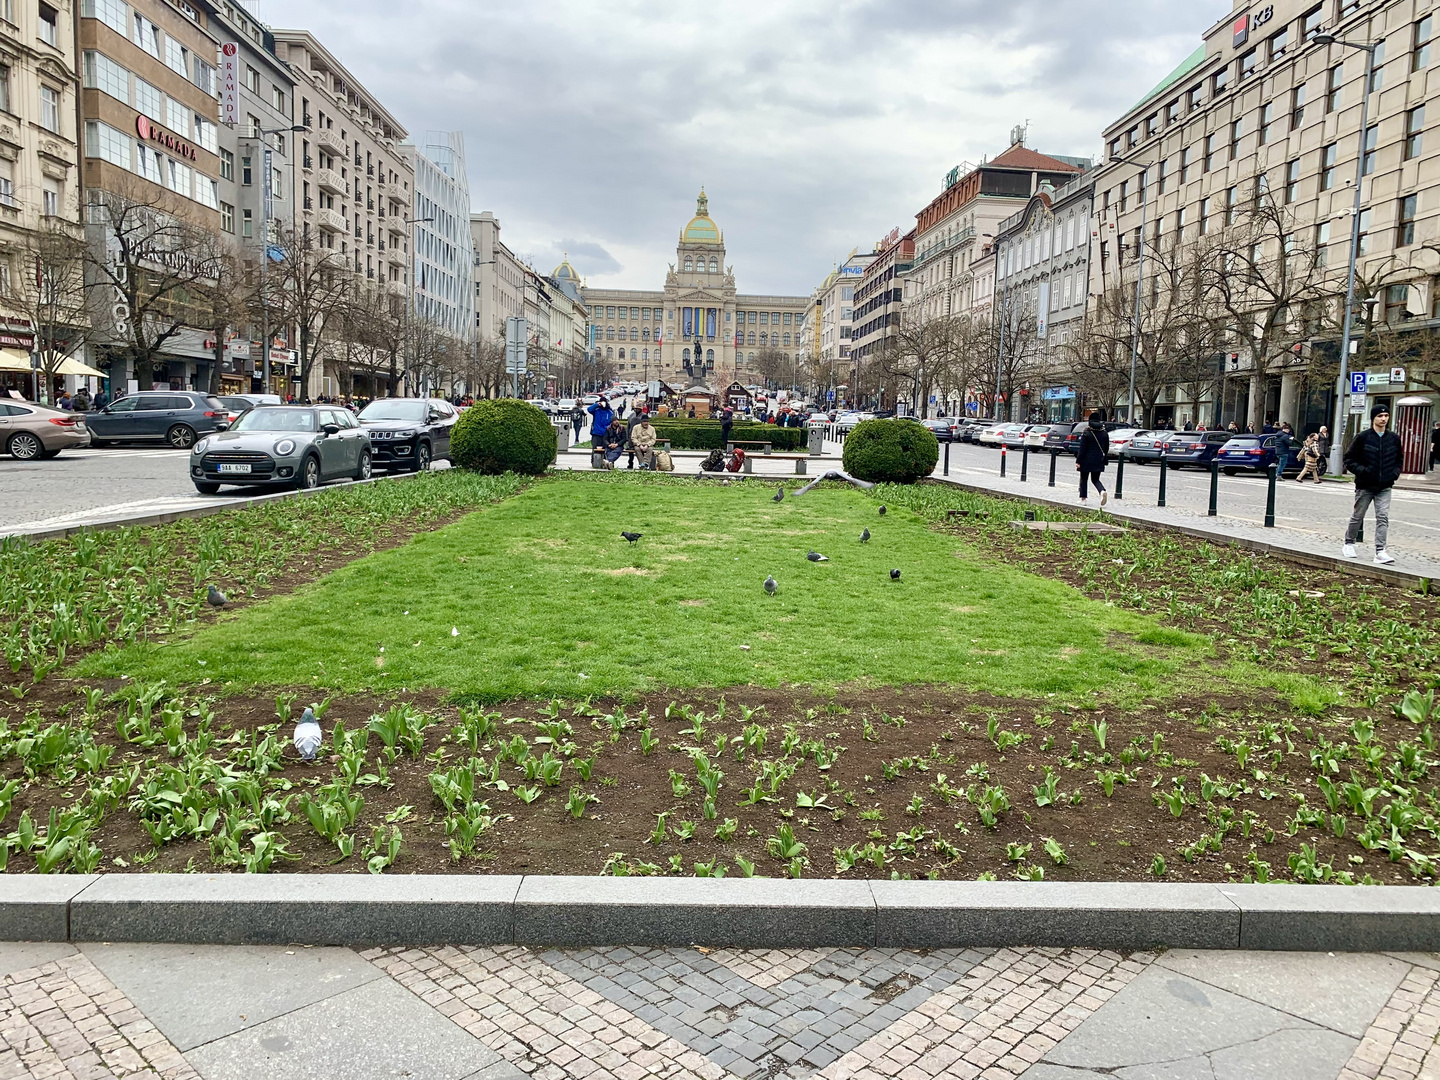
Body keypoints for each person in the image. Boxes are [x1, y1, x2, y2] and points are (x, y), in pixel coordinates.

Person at [1343, 404, 1403, 565]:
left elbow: (1399, 459)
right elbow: (1349, 459)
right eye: (1380, 416)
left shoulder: (1393, 439)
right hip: (1365, 485)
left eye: (1386, 416)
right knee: (1358, 515)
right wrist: (1363, 471)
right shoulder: (1363, 437)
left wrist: (1394, 473)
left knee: (1383, 517)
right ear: (1373, 418)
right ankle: (1349, 542)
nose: (1383, 419)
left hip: (1385, 485)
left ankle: (1380, 551)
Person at [1076, 409, 1111, 506]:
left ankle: (1083, 499)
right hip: (1099, 459)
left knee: (1084, 478)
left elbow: (1082, 448)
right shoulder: (1104, 433)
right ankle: (1102, 491)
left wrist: (1078, 460)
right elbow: (1106, 448)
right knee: (1095, 479)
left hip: (1086, 460)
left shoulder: (1087, 432)